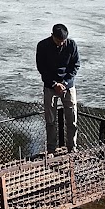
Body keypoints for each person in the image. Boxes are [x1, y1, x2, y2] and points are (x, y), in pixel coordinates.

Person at [36, 23, 80, 155]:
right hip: (50, 86)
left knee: (72, 119)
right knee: (50, 120)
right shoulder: (43, 46)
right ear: (52, 36)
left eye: (63, 41)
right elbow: (42, 68)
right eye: (58, 41)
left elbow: (75, 65)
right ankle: (51, 149)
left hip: (68, 86)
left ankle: (72, 148)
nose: (61, 44)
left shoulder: (71, 45)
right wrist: (54, 84)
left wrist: (65, 83)